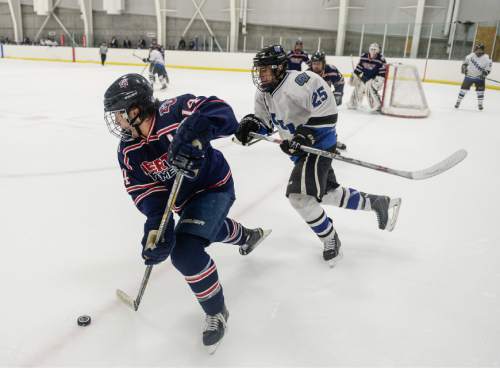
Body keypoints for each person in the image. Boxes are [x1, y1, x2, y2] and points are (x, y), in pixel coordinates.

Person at [103, 74, 270, 351]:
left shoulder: (173, 111)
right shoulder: (128, 150)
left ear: (134, 111)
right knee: (205, 229)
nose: (117, 122)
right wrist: (158, 227)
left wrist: (197, 128)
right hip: (183, 202)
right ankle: (248, 236)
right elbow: (144, 191)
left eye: (119, 115)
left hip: (214, 186)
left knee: (186, 251)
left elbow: (223, 114)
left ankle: (216, 311)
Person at [234, 45, 401, 266]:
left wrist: (304, 137)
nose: (261, 74)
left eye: (266, 69)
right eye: (259, 69)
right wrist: (251, 127)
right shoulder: (263, 93)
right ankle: (377, 202)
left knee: (300, 197)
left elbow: (328, 112)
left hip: (320, 145)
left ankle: (330, 238)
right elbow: (264, 123)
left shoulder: (302, 82)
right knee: (328, 192)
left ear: (281, 68)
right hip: (300, 152)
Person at [308, 50, 347, 151]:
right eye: (314, 64)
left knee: (330, 122)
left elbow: (340, 81)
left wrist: (338, 93)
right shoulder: (308, 74)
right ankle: (312, 141)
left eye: (318, 64)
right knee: (313, 123)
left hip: (326, 101)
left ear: (323, 64)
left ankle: (331, 142)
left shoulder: (331, 70)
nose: (316, 66)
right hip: (312, 103)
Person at [348, 43, 387, 111]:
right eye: (371, 49)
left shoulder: (381, 59)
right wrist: (355, 75)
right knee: (359, 86)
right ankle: (353, 103)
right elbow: (359, 67)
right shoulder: (364, 56)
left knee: (369, 87)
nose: (373, 51)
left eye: (375, 49)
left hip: (374, 79)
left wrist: (379, 81)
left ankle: (376, 105)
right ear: (369, 49)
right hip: (365, 77)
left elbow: (382, 72)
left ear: (378, 50)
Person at [455, 42, 492, 110]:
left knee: (480, 91)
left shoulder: (487, 58)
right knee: (463, 90)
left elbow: (488, 69)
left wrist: (484, 74)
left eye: (480, 50)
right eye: (477, 49)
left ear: (483, 50)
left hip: (479, 78)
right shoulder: (470, 56)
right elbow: (464, 64)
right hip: (469, 76)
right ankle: (458, 102)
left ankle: (480, 104)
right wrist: (464, 69)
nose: (478, 51)